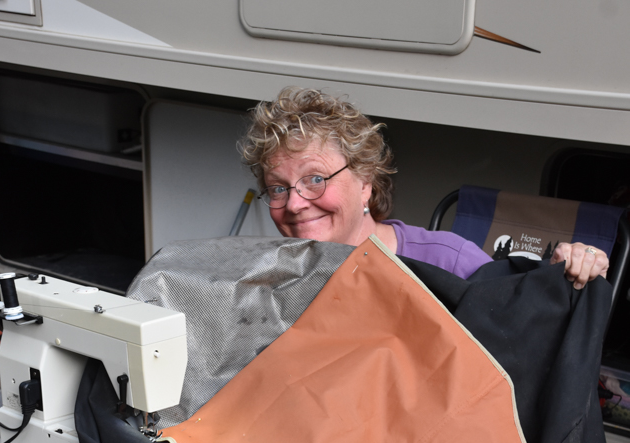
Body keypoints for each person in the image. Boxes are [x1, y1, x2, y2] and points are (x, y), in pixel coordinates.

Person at [238, 86, 609, 288]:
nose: (295, 204)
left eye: (315, 180)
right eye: (278, 188)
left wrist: (573, 275)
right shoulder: (277, 278)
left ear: (365, 181)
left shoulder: (447, 261)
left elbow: (520, 324)